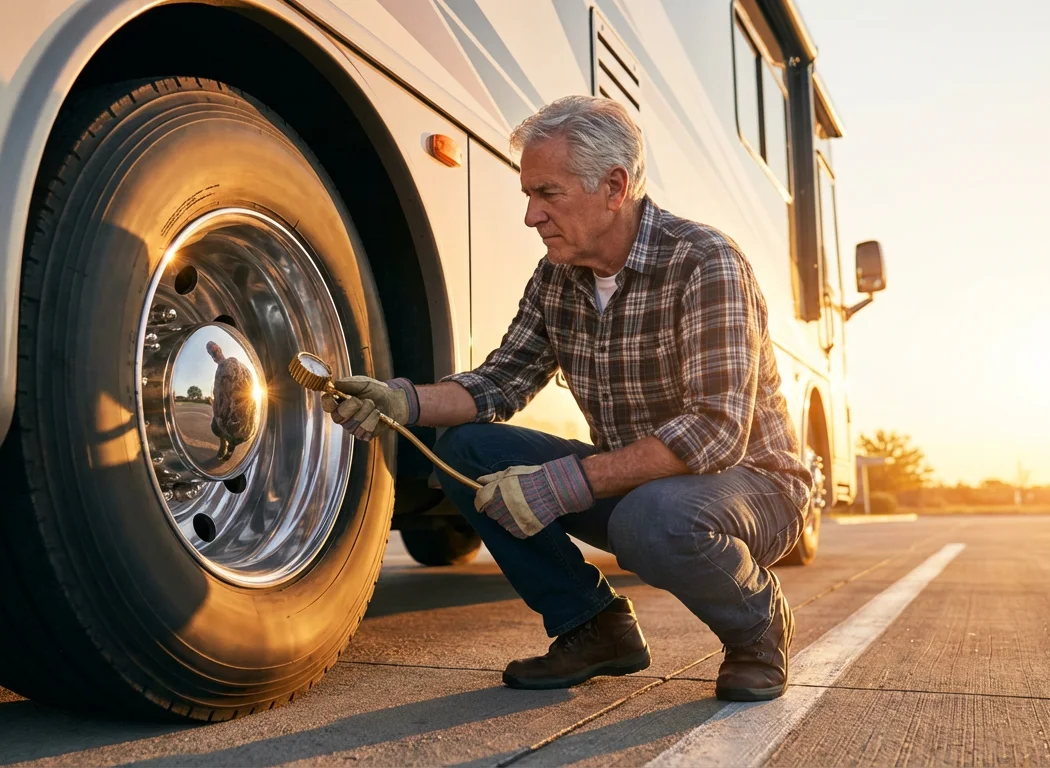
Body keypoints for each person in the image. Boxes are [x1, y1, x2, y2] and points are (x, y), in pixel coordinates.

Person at [322, 95, 812, 702]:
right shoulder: (557, 277)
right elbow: (500, 382)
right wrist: (402, 402)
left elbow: (715, 430)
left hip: (751, 485)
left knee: (651, 519)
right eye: (528, 195)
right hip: (638, 482)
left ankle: (757, 627)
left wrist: (561, 486)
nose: (531, 216)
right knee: (470, 447)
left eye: (547, 194)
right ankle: (593, 626)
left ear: (614, 186)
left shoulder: (705, 261)